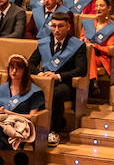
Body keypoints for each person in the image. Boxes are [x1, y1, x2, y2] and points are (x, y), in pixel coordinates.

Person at [28, 12, 87, 147]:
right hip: (44, 81)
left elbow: (81, 70)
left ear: (68, 27)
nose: (56, 30)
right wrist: (40, 74)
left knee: (55, 94)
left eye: (60, 26)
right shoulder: (44, 43)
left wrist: (58, 76)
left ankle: (53, 130)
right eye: (53, 26)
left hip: (65, 84)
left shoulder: (77, 45)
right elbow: (30, 63)